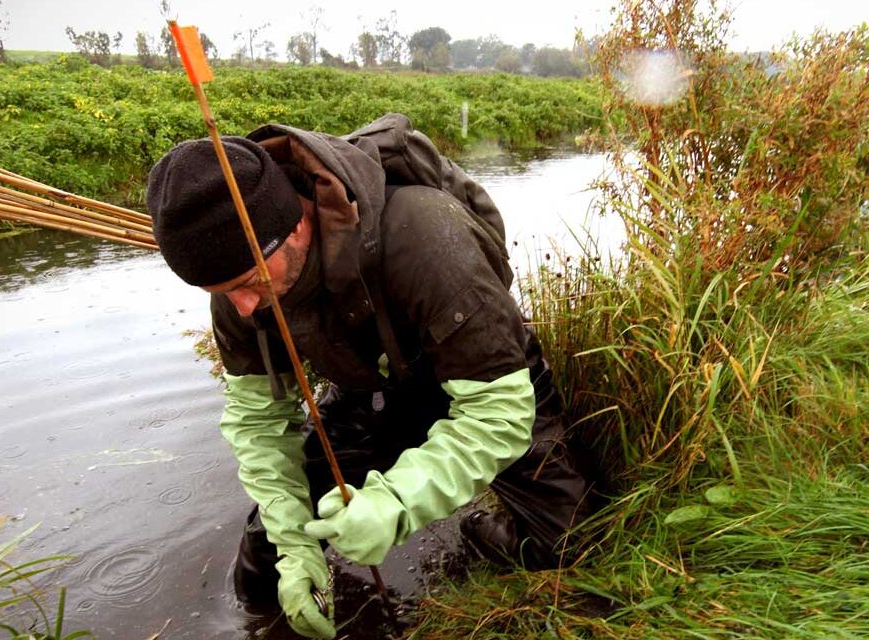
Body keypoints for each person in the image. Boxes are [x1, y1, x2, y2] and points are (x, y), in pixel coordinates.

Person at [145, 114, 595, 639]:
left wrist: (395, 503)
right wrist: (294, 547)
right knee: (262, 568)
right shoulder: (240, 299)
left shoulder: (425, 234)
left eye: (249, 283)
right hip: (370, 391)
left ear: (294, 224)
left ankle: (480, 526)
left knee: (568, 543)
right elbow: (260, 425)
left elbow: (500, 412)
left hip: (482, 377)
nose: (243, 308)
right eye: (223, 292)